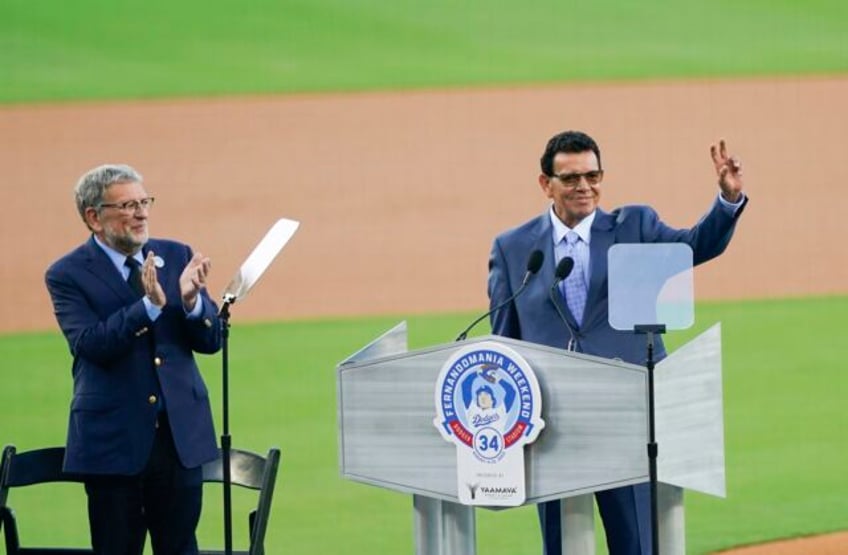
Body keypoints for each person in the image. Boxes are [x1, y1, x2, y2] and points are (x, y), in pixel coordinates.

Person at [487, 131, 746, 555]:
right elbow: (504, 339)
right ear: (545, 183)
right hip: (550, 425)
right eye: (570, 178)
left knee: (637, 544)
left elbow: (695, 247)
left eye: (593, 175)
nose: (584, 187)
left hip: (627, 417)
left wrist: (727, 201)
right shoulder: (513, 248)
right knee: (562, 545)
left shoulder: (635, 226)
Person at [45, 164, 222, 555]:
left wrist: (192, 304)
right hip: (113, 444)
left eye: (144, 202)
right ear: (94, 217)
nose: (141, 213)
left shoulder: (177, 255)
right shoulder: (66, 274)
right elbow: (91, 344)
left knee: (179, 548)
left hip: (180, 440)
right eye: (127, 205)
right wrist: (148, 306)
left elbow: (211, 341)